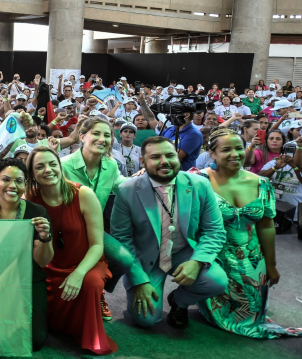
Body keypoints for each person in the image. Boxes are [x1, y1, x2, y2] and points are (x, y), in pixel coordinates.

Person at [109, 136, 229, 329]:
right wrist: (139, 281)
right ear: (143, 161)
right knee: (146, 319)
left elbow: (214, 231)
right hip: (146, 258)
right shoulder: (126, 190)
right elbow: (122, 239)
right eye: (155, 157)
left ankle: (179, 301)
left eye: (169, 155)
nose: (164, 161)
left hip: (184, 252)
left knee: (216, 281)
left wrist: (197, 262)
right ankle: (143, 289)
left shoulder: (200, 184)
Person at [197, 128, 300, 338]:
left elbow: (266, 226)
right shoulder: (198, 181)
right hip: (214, 257)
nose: (235, 154)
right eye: (226, 149)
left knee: (253, 311)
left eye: (239, 148)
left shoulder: (261, 183)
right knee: (221, 309)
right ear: (212, 153)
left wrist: (271, 265)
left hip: (252, 259)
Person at [26, 147, 117, 355]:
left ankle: (89, 325)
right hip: (48, 265)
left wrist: (78, 273)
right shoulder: (30, 198)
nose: (48, 170)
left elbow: (97, 244)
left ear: (60, 166)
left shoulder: (83, 194)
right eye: (39, 166)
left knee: (90, 282)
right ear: (32, 174)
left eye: (52, 164)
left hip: (85, 262)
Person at [0, 158, 53, 351]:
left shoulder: (37, 213)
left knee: (35, 339)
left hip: (26, 280)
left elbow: (43, 261)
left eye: (19, 181)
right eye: (6, 180)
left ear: (25, 184)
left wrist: (45, 238)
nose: (12, 186)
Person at [60, 117, 132, 321]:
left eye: (107, 135)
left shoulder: (111, 165)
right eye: (97, 133)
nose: (103, 139)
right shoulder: (63, 165)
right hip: (64, 231)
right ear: (82, 136)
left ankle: (99, 289)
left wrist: (142, 180)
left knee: (123, 260)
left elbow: (122, 186)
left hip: (93, 230)